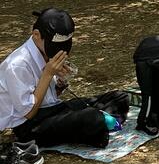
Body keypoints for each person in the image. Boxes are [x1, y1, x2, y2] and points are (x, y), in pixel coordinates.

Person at [0, 9, 129, 155]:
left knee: (120, 97)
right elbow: (28, 112)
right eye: (54, 46)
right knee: (92, 118)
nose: (59, 51)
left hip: (53, 109)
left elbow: (50, 96)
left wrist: (60, 83)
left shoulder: (45, 52)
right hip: (29, 125)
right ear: (36, 35)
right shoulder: (18, 65)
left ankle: (100, 124)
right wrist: (48, 74)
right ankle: (99, 123)